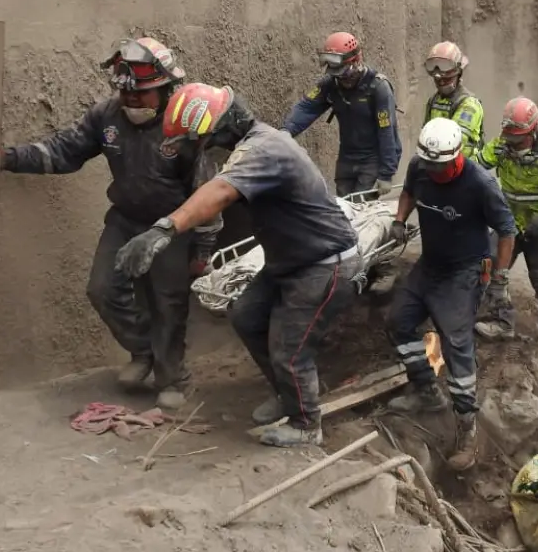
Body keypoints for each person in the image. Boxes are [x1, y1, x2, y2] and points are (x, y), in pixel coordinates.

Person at [0, 37, 218, 410]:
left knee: (168, 303)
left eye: (141, 94)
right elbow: (64, 151)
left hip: (172, 227)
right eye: (126, 95)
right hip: (125, 220)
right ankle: (143, 350)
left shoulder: (187, 125)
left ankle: (172, 378)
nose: (131, 101)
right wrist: (7, 158)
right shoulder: (105, 117)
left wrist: (202, 248)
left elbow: (208, 191)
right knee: (102, 289)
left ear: (166, 87)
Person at [115, 83, 360, 448]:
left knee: (289, 349)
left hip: (324, 265)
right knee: (247, 316)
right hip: (290, 262)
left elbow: (220, 193)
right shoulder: (254, 144)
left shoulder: (263, 149)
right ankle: (287, 393)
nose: (202, 149)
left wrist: (162, 230)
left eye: (201, 141)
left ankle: (306, 424)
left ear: (221, 129)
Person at [384, 118, 517, 471]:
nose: (433, 171)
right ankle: (427, 390)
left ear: (455, 157)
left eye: (439, 166)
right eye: (429, 164)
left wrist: (500, 277)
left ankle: (466, 426)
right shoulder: (420, 166)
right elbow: (410, 191)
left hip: (465, 270)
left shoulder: (480, 184)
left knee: (457, 343)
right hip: (430, 264)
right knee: (398, 320)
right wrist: (400, 220)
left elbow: (506, 229)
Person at [474, 98, 538, 345]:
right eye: (508, 136)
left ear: (533, 131)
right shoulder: (501, 145)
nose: (511, 142)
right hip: (510, 224)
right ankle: (502, 321)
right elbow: (476, 166)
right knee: (489, 267)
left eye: (517, 137)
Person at [283, 31, 402, 198]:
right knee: (343, 209)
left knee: (359, 209)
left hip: (371, 160)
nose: (340, 78)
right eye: (334, 72)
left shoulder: (378, 88)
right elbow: (307, 107)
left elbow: (388, 131)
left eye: (342, 71)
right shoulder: (331, 84)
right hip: (346, 157)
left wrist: (386, 174)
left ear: (356, 60)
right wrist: (285, 132)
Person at [422, 41, 485, 158]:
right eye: (433, 66)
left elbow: (455, 141)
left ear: (458, 71)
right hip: (438, 164)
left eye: (444, 66)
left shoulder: (469, 104)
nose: (438, 74)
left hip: (464, 169)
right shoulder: (434, 100)